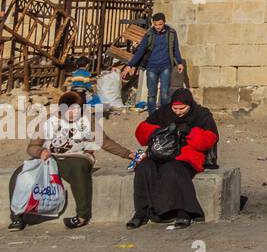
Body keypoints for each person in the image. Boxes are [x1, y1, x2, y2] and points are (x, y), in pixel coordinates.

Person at [8, 91, 133, 231]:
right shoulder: (48, 121)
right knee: (20, 173)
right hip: (51, 158)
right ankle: (16, 216)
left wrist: (129, 154)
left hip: (78, 157)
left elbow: (105, 142)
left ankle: (82, 216)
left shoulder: (88, 122)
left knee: (78, 168)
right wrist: (40, 151)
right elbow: (32, 147)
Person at [127, 89, 218, 229]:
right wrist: (156, 132)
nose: (178, 112)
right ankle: (142, 211)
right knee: (143, 168)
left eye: (182, 108)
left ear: (190, 105)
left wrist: (190, 132)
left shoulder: (201, 114)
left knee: (173, 169)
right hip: (161, 152)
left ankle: (183, 211)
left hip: (188, 153)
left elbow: (210, 139)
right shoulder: (163, 112)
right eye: (175, 108)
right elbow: (141, 133)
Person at [125, 12, 186, 115]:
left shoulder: (171, 33)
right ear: (153, 24)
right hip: (152, 67)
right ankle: (152, 116)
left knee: (164, 93)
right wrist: (130, 64)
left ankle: (164, 114)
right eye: (156, 25)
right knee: (152, 94)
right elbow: (140, 50)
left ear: (164, 22)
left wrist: (179, 63)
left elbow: (175, 49)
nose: (158, 27)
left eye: (160, 24)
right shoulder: (149, 34)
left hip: (166, 67)